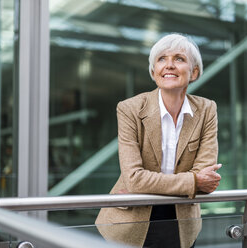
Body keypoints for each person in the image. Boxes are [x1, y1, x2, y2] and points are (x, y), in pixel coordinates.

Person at [95, 33, 222, 248]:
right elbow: (134, 178)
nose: (169, 65)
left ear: (194, 72)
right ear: (154, 72)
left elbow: (206, 177)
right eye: (162, 59)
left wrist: (152, 182)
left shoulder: (207, 109)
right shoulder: (130, 109)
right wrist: (193, 181)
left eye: (179, 59)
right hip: (130, 223)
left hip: (183, 221)